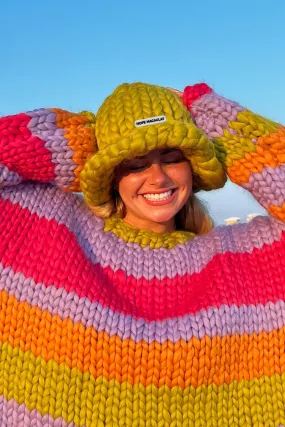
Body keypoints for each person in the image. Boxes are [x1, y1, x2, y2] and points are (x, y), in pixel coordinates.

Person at [0, 81, 284, 427]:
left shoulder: (250, 261)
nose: (158, 177)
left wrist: (226, 126)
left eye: (171, 157)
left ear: (193, 167)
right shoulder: (45, 232)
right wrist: (70, 140)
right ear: (109, 174)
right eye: (134, 164)